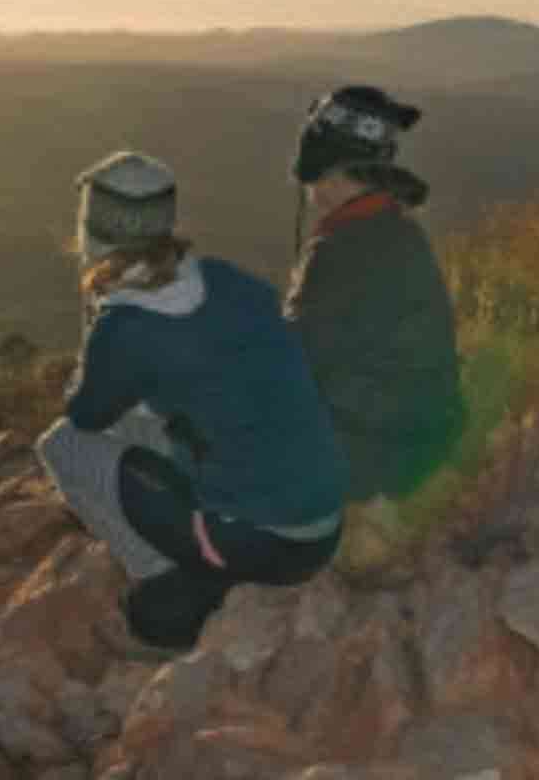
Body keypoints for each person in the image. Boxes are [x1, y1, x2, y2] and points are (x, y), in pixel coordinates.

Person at [36, 151, 349, 654]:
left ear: (93, 232)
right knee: (160, 427)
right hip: (322, 529)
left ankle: (167, 578)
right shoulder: (229, 280)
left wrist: (97, 339)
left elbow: (86, 414)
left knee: (63, 447)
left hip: (261, 545)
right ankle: (210, 550)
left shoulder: (126, 325)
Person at [283, 86, 468, 572]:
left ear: (355, 177)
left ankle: (360, 519)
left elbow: (300, 362)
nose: (314, 189)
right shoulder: (398, 233)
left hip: (378, 447)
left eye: (324, 175)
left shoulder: (342, 251)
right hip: (424, 433)